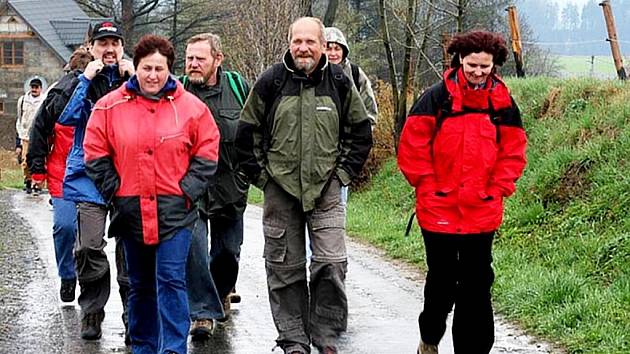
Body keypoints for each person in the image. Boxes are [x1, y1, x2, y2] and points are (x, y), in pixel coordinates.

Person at [235, 17, 373, 354]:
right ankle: (294, 339)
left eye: (311, 42)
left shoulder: (339, 81)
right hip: (280, 191)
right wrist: (264, 179)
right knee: (285, 268)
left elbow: (360, 132)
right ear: (289, 42)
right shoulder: (271, 81)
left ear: (323, 45)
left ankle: (325, 334)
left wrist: (342, 175)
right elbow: (245, 133)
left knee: (331, 263)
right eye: (298, 41)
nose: (303, 48)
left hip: (326, 189)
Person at [84, 34, 220, 354]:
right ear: (137, 67)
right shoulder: (110, 105)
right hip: (130, 209)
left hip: (176, 210)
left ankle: (173, 348)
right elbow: (94, 152)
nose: (153, 76)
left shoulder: (190, 107)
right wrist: (114, 190)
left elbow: (208, 151)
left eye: (160, 68)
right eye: (147, 68)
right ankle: (144, 345)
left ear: (169, 70)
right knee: (141, 284)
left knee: (171, 280)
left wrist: (188, 190)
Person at [397, 30, 527, 354]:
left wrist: (498, 188)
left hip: (481, 211)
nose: (478, 73)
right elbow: (412, 148)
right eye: (472, 65)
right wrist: (428, 186)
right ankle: (429, 338)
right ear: (459, 61)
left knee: (477, 285)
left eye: (485, 66)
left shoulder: (503, 105)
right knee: (441, 282)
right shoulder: (435, 98)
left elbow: (513, 152)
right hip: (437, 209)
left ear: (494, 65)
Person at [55, 21, 134, 341]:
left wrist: (135, 82)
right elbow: (67, 117)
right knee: (88, 245)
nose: (110, 49)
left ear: (122, 47)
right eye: (103, 44)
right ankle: (92, 310)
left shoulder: (135, 78)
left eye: (115, 43)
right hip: (88, 174)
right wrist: (86, 79)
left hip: (128, 172)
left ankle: (134, 313)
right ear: (91, 48)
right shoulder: (79, 80)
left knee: (130, 248)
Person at [181, 32, 250, 340]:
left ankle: (220, 292)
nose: (193, 65)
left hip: (230, 186)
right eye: (189, 58)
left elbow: (257, 129)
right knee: (193, 250)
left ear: (218, 59)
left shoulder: (239, 88)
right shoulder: (177, 90)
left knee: (227, 253)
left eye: (200, 59)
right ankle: (202, 312)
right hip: (190, 188)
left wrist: (251, 172)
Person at [27, 47, 93, 304]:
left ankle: (88, 281)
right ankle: (67, 275)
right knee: (64, 227)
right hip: (61, 172)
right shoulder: (56, 96)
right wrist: (37, 170)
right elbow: (39, 133)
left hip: (92, 174)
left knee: (89, 237)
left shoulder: (100, 95)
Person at [324, 26, 378, 205]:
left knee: (337, 212)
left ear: (344, 50)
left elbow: (370, 114)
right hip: (314, 157)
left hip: (341, 158)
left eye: (337, 48)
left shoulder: (355, 75)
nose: (332, 53)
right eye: (328, 47)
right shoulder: (310, 75)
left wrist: (354, 149)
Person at [16, 77, 46, 194]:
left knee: (39, 160)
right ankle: (28, 181)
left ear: (40, 88)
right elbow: (19, 118)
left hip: (40, 136)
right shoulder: (22, 100)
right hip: (26, 136)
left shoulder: (44, 100)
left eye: (36, 87)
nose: (34, 89)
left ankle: (38, 184)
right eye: (32, 87)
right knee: (26, 161)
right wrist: (18, 140)